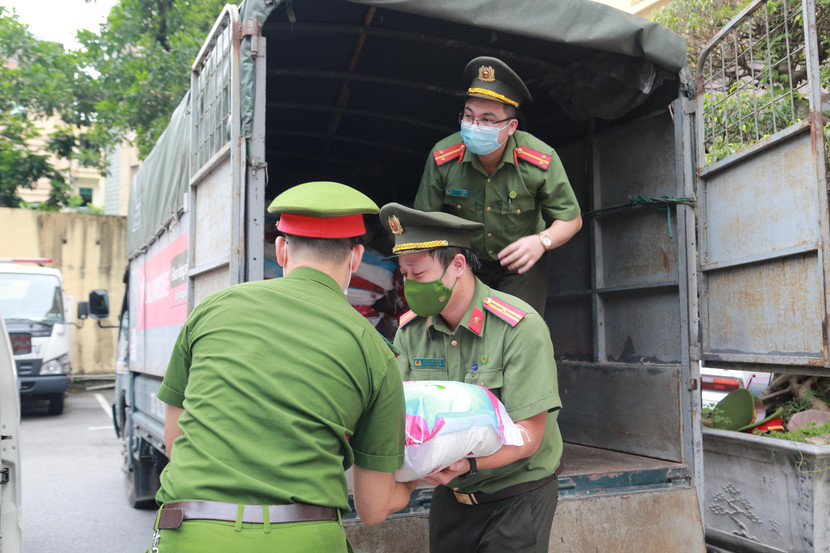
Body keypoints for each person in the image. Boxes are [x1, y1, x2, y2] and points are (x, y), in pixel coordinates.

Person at [148, 181, 418, 553]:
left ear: (280, 249)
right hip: (303, 538)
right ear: (356, 257)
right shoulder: (375, 350)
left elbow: (176, 435)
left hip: (191, 531)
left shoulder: (214, 308)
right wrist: (415, 481)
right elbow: (373, 508)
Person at [380, 202, 563, 553]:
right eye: (404, 275)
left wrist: (469, 464)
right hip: (451, 496)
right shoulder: (411, 332)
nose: (409, 285)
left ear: (458, 265)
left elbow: (529, 435)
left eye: (418, 274)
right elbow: (400, 413)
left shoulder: (519, 328)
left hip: (516, 496)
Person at [414, 56, 582, 316]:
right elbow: (423, 223)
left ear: (511, 126)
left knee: (519, 333)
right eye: (468, 116)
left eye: (487, 120)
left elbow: (572, 220)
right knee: (460, 331)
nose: (474, 125)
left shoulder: (539, 160)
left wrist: (541, 241)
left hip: (520, 263)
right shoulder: (443, 157)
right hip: (464, 261)